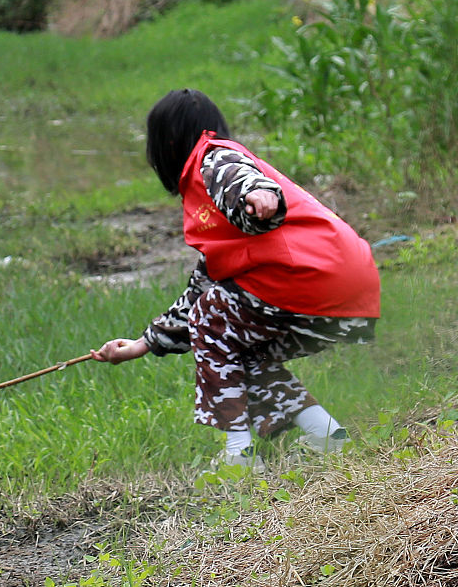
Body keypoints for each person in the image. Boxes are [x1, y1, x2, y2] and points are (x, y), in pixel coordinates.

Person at [91, 88, 380, 469]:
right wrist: (144, 343)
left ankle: (238, 457)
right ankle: (327, 436)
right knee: (241, 350)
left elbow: (240, 180)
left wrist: (260, 195)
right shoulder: (205, 187)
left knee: (211, 319)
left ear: (169, 141)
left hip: (308, 278)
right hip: (347, 283)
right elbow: (204, 283)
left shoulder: (213, 160)